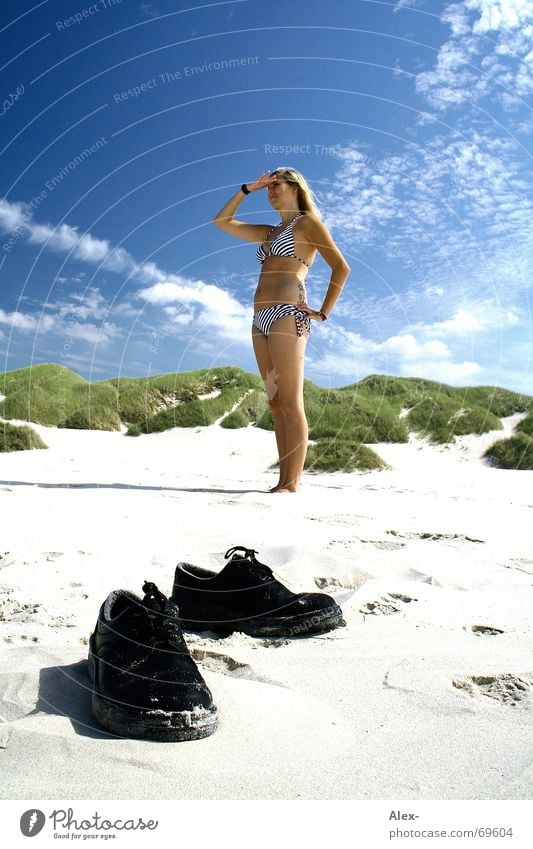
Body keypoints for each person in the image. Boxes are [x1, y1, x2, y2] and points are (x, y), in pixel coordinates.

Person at [213, 168, 350, 492]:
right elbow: (222, 222)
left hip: (288, 314)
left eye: (275, 184)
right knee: (275, 404)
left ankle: (293, 483)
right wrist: (248, 189)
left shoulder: (307, 223)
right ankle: (282, 480)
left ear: (295, 187)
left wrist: (323, 312)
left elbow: (341, 267)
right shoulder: (271, 231)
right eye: (268, 187)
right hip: (259, 318)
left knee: (291, 400)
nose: (270, 190)